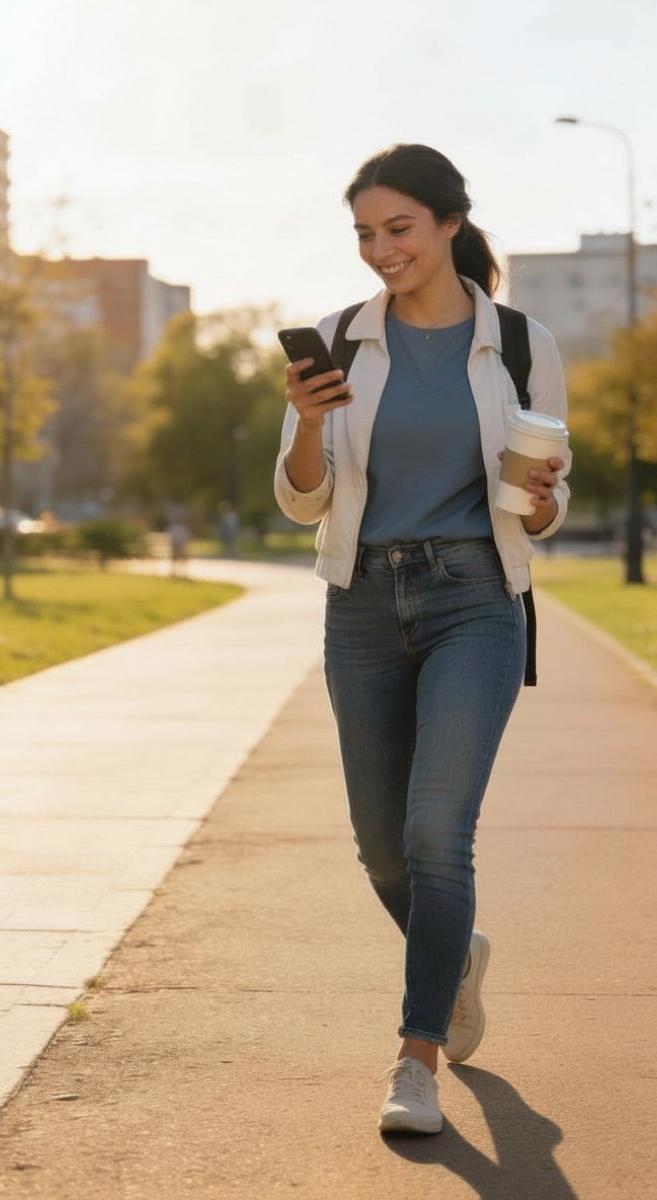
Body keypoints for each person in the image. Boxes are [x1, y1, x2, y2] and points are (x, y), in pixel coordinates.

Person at [273, 144, 570, 1135]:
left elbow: (540, 506)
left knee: (436, 834)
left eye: (397, 228)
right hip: (359, 602)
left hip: (473, 600)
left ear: (448, 223)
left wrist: (540, 498)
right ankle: (455, 954)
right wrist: (304, 423)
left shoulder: (519, 342)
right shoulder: (337, 340)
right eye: (364, 233)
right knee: (380, 849)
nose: (379, 249)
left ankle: (415, 1061)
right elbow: (301, 500)